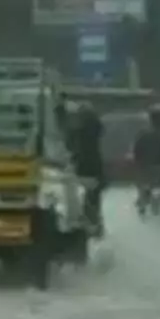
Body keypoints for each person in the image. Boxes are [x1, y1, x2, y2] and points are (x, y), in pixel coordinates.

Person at [61, 97, 106, 237]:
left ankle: (86, 223)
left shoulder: (75, 130)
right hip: (92, 167)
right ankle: (94, 224)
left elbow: (68, 145)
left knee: (79, 197)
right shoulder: (96, 128)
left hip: (80, 166)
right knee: (92, 197)